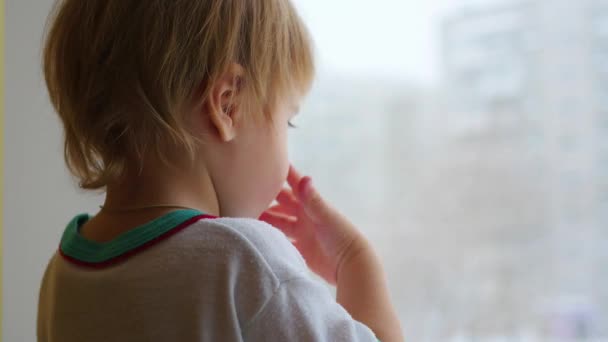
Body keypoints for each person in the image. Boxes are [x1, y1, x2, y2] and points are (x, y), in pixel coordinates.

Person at [37, 0, 405, 341]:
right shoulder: (244, 262)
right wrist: (353, 261)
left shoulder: (61, 275)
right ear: (227, 105)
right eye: (287, 122)